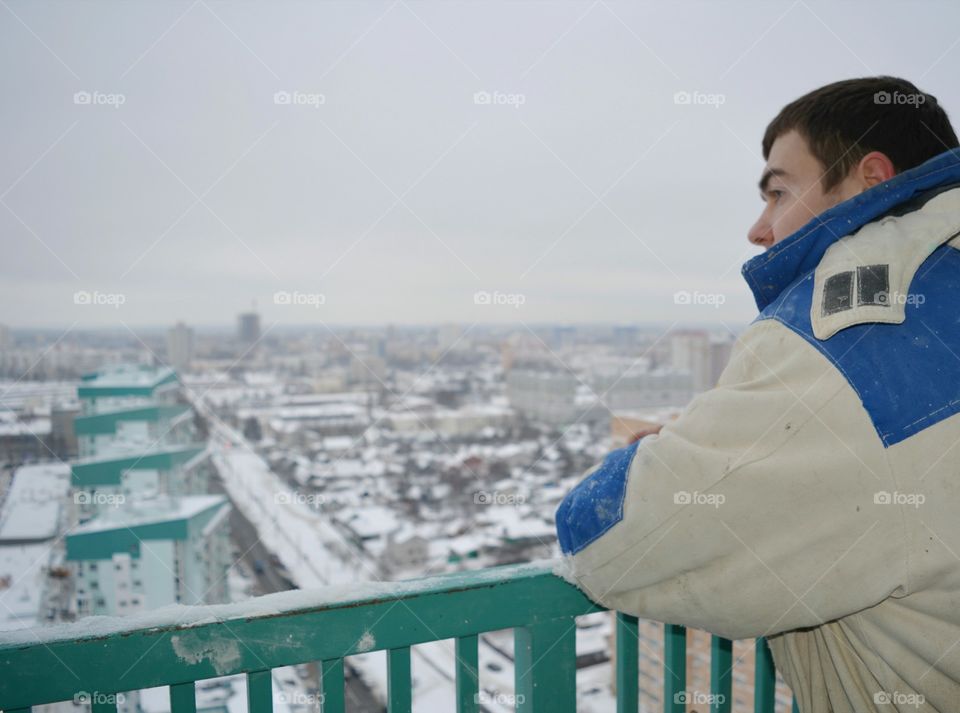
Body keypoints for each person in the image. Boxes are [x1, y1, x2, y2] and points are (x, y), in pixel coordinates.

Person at [555, 76, 960, 713]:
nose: (758, 228)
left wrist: (650, 458)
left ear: (871, 179)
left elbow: (615, 545)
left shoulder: (848, 337)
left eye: (778, 191)